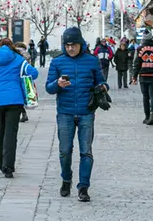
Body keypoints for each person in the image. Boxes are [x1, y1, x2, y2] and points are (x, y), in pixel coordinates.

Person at [45, 27, 107, 203]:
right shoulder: (58, 63)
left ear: (81, 44)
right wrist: (57, 84)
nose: (70, 48)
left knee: (86, 151)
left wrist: (102, 88)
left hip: (86, 112)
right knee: (65, 151)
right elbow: (48, 88)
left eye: (73, 44)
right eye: (67, 45)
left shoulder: (92, 61)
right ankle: (66, 178)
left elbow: (101, 81)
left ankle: (83, 187)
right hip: (65, 112)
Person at [0, 38, 39, 178]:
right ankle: (8, 166)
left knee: (0, 132)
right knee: (11, 134)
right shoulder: (18, 59)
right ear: (12, 46)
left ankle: (0, 163)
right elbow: (34, 73)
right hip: (14, 101)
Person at [133, 35, 153, 125]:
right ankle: (152, 115)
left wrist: (134, 76)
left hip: (143, 75)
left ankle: (147, 117)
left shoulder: (139, 49)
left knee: (145, 97)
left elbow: (136, 63)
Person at [13, 42, 33, 123]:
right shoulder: (26, 53)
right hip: (26, 77)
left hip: (18, 77)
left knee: (17, 97)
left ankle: (22, 114)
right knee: (25, 94)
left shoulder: (16, 53)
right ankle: (24, 112)